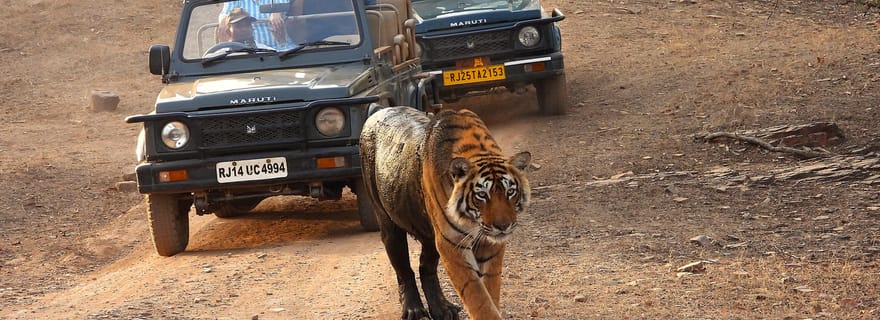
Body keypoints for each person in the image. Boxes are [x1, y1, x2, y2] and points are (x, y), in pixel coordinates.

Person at [218, 1, 289, 48]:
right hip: (250, 50)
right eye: (240, 27)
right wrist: (224, 22)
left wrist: (277, 11)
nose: (244, 29)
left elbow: (286, 5)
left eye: (247, 25)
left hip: (280, 48)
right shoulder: (221, 55)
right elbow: (225, 14)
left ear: (252, 28)